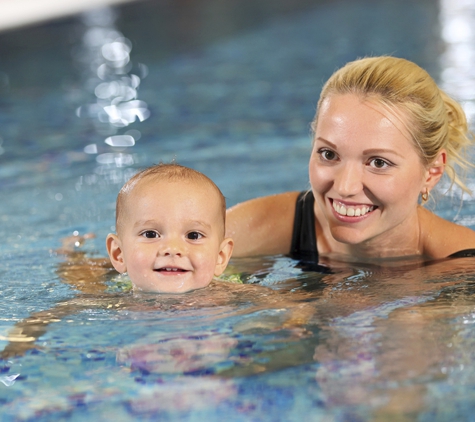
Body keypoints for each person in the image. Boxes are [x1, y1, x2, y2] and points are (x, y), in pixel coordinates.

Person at [226, 56, 475, 264]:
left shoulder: (463, 267)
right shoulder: (263, 227)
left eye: (378, 162)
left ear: (431, 172)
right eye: (329, 154)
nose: (345, 187)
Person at [106, 162, 234, 293]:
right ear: (118, 254)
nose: (172, 249)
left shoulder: (236, 300)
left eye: (193, 235)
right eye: (150, 234)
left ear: (220, 256)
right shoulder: (104, 305)